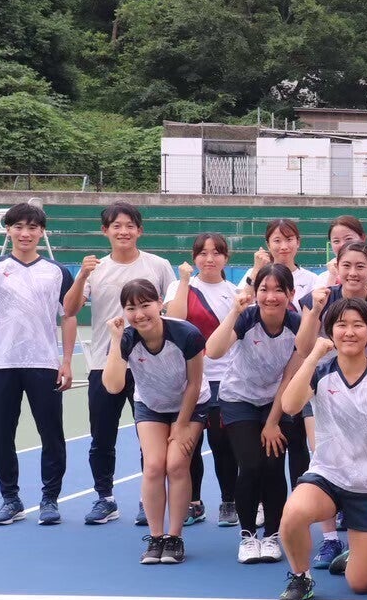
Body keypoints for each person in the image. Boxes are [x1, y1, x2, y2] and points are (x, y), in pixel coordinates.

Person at [274, 299, 367, 600]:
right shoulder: (320, 372)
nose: (349, 332)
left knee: (362, 584)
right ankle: (301, 577)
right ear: (330, 331)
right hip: (327, 477)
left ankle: (354, 555)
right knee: (292, 514)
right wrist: (313, 355)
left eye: (358, 325)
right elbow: (290, 405)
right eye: (341, 325)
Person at [0, 202, 76, 526]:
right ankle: (11, 498)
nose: (25, 233)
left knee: (51, 433)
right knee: (1, 435)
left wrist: (66, 360)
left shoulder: (57, 272)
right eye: (18, 227)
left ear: (41, 232)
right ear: (8, 230)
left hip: (43, 363)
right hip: (0, 362)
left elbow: (69, 315)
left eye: (32, 227)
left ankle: (50, 499)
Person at [64, 201, 176, 527]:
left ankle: (147, 499)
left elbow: (172, 310)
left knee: (149, 437)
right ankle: (105, 498)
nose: (123, 231)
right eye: (116, 226)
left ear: (139, 230)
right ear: (105, 231)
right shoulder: (95, 269)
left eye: (129, 225)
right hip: (105, 362)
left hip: (149, 366)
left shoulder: (158, 266)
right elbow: (70, 309)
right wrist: (82, 275)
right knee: (102, 437)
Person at [295, 243, 367, 567]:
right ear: (336, 268)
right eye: (347, 266)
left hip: (362, 390)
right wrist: (315, 312)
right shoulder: (320, 298)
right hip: (322, 388)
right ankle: (329, 539)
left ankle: (359, 535)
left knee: (362, 457)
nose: (353, 273)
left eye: (360, 266)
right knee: (324, 455)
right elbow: (303, 347)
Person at [103, 280, 210, 565]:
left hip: (190, 404)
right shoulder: (126, 338)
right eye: (131, 308)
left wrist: (181, 425)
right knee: (152, 466)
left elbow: (195, 383)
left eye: (145, 305)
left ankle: (174, 537)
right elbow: (113, 386)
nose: (139, 314)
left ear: (160, 303)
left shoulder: (187, 334)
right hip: (151, 405)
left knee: (176, 464)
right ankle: (156, 537)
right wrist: (115, 340)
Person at [207, 264, 302, 564]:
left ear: (291, 294)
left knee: (273, 466)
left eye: (278, 290)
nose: (270, 296)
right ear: (255, 292)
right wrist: (234, 312)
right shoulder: (246, 319)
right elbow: (213, 351)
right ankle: (248, 535)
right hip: (239, 398)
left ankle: (272, 535)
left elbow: (289, 378)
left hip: (277, 400)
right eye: (264, 289)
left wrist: (273, 422)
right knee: (250, 465)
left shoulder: (297, 326)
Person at [165, 232, 238, 528]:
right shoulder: (179, 286)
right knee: (189, 444)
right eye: (203, 253)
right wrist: (184, 280)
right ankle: (193, 502)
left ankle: (229, 501)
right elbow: (175, 319)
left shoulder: (233, 291)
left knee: (221, 443)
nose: (209, 259)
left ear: (226, 258)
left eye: (216, 252)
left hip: (224, 378)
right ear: (194, 257)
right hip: (189, 378)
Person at [243, 218, 321, 302]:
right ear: (268, 245)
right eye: (277, 241)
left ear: (298, 242)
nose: (284, 247)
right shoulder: (253, 273)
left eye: (289, 239)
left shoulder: (312, 279)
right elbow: (242, 304)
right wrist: (255, 272)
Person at [325, 216, 367, 291]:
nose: (342, 245)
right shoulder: (323, 278)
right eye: (336, 241)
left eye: (348, 239)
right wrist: (332, 277)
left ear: (363, 238)